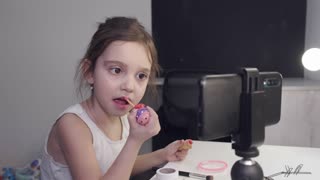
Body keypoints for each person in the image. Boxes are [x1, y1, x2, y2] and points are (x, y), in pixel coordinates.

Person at [40, 16, 190, 180]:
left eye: (141, 75)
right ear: (89, 72)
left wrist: (163, 155)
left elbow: (117, 167)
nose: (129, 86)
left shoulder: (124, 118)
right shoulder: (72, 126)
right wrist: (134, 140)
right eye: (116, 70)